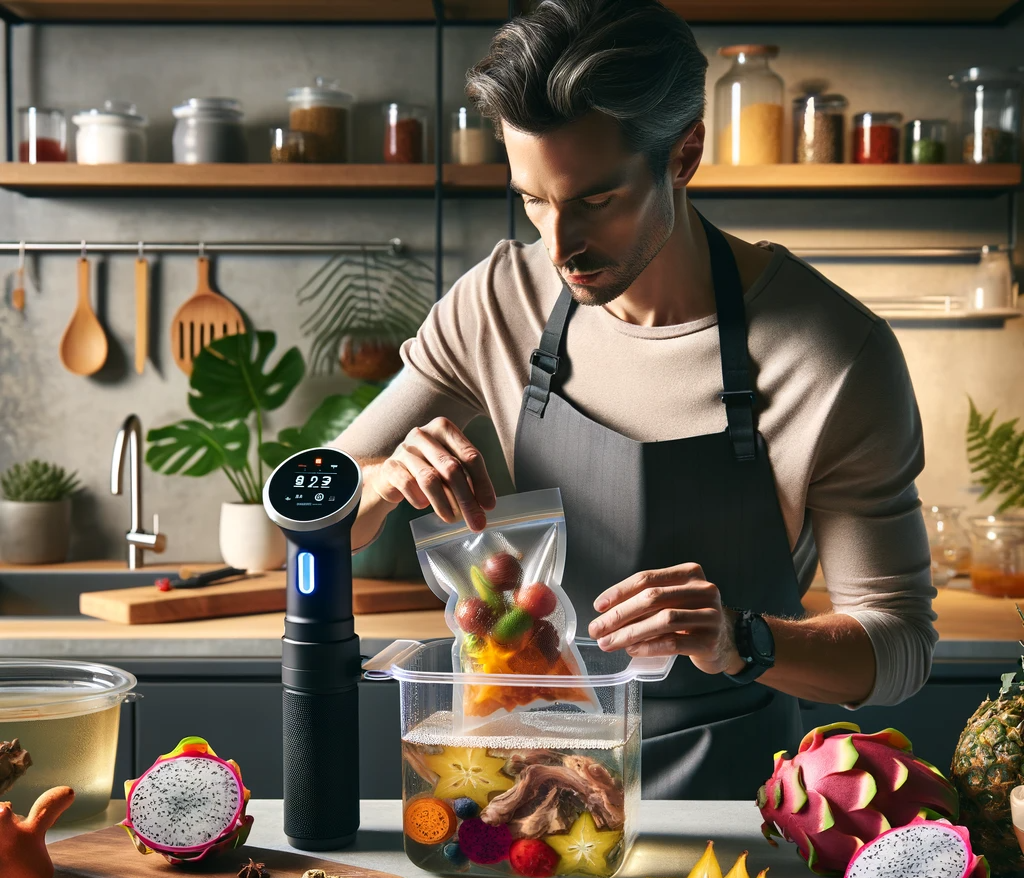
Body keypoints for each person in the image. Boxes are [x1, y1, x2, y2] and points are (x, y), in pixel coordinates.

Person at [333, 0, 936, 798]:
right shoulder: (498, 302)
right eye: (533, 200)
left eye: (595, 201)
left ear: (683, 156)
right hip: (527, 784)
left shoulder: (831, 354)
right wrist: (376, 482)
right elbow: (304, 528)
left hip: (734, 799)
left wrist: (740, 637)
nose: (558, 246)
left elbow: (899, 650)